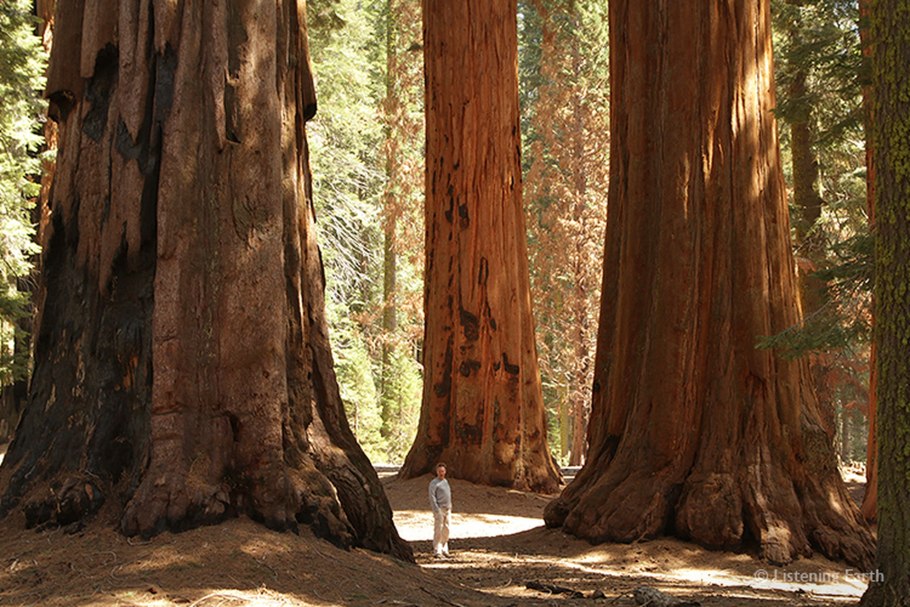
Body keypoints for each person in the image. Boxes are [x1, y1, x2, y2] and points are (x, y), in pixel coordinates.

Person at [428, 462, 452, 558]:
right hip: (439, 509)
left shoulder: (446, 482)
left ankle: (444, 548)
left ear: (445, 472)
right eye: (439, 471)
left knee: (447, 529)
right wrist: (436, 509)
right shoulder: (434, 483)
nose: (441, 473)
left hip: (448, 509)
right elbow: (432, 497)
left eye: (442, 471)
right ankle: (437, 550)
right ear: (437, 472)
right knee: (438, 529)